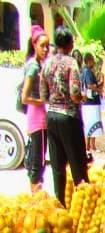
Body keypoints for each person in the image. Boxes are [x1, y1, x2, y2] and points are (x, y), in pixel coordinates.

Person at [40, 26, 89, 205]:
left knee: (57, 166)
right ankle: (83, 204)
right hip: (69, 117)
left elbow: (43, 95)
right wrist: (82, 98)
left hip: (51, 116)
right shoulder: (71, 63)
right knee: (77, 165)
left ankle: (60, 203)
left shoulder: (47, 63)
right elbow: (75, 92)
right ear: (69, 44)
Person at [20, 26, 49, 193]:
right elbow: (25, 97)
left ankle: (36, 193)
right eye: (42, 45)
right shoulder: (33, 67)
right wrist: (42, 101)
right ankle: (35, 196)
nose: (45, 49)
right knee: (37, 160)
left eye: (47, 46)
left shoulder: (38, 64)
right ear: (34, 45)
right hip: (37, 119)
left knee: (39, 159)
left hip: (39, 118)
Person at [80, 52, 102, 160]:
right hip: (91, 102)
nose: (94, 62)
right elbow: (89, 85)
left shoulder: (84, 71)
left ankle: (89, 145)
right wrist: (99, 89)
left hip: (87, 102)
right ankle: (91, 145)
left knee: (89, 125)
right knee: (93, 124)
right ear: (89, 61)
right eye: (92, 60)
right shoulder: (88, 72)